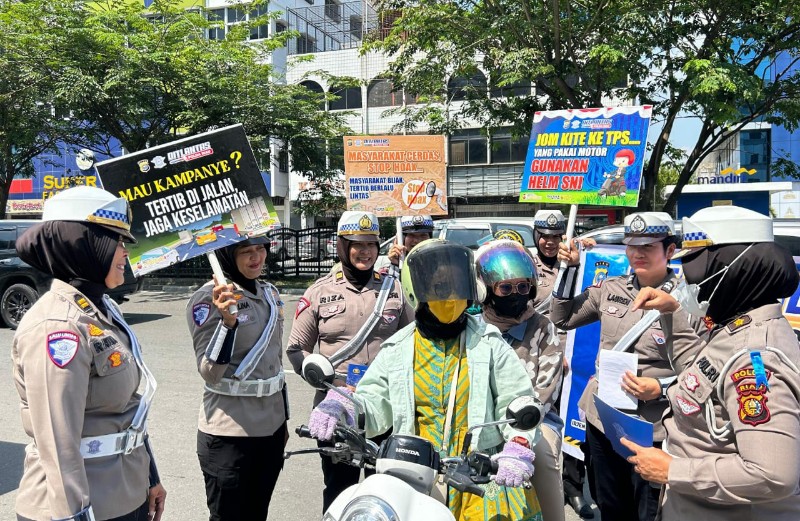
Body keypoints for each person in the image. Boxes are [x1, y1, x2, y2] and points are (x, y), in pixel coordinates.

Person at [309, 238, 544, 520]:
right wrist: (343, 406)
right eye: (439, 286)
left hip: (482, 476)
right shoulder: (398, 349)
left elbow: (518, 402)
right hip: (415, 476)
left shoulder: (490, 344)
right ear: (416, 290)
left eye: (456, 284)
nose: (449, 296)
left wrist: (517, 446)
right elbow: (373, 405)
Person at [621, 206, 800, 520]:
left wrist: (674, 470)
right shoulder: (737, 325)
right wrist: (671, 314)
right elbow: (700, 372)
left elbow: (773, 475)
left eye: (696, 273)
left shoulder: (757, 360)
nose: (689, 283)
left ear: (732, 271)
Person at [11, 186, 166, 521]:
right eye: (117, 241)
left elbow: (129, 408)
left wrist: (150, 476)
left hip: (125, 492)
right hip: (82, 508)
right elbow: (58, 443)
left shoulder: (100, 310)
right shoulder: (57, 326)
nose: (125, 252)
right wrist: (76, 516)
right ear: (83, 244)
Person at [550, 212, 695, 521]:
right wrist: (569, 268)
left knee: (650, 512)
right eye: (631, 245)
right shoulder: (611, 288)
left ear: (670, 251)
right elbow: (562, 318)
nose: (637, 253)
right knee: (611, 507)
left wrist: (661, 388)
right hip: (603, 421)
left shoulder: (689, 300)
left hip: (654, 427)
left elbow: (701, 366)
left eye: (649, 246)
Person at [287, 210, 412, 512]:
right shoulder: (319, 291)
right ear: (343, 246)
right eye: (358, 244)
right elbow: (296, 349)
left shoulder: (393, 289)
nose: (366, 252)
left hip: (385, 408)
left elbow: (414, 341)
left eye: (372, 244)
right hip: (336, 410)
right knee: (340, 489)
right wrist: (324, 380)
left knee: (386, 488)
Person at [187, 235, 287, 521]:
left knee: (257, 515)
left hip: (271, 429)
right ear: (228, 255)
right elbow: (210, 372)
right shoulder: (209, 298)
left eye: (260, 250)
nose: (256, 258)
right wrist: (227, 324)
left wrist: (284, 421)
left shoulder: (269, 293)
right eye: (246, 252)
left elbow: (275, 365)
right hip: (229, 434)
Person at [476, 239, 565, 521]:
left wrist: (518, 435)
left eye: (523, 287)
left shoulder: (542, 328)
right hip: (483, 419)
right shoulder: (473, 329)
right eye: (505, 287)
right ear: (486, 290)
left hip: (534, 421)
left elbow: (546, 391)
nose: (515, 294)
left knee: (546, 460)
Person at [530, 209, 595, 519]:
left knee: (572, 419)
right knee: (538, 422)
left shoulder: (578, 263)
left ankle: (572, 486)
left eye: (557, 237)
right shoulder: (526, 267)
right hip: (537, 357)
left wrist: (587, 258)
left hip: (572, 357)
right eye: (545, 236)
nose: (551, 242)